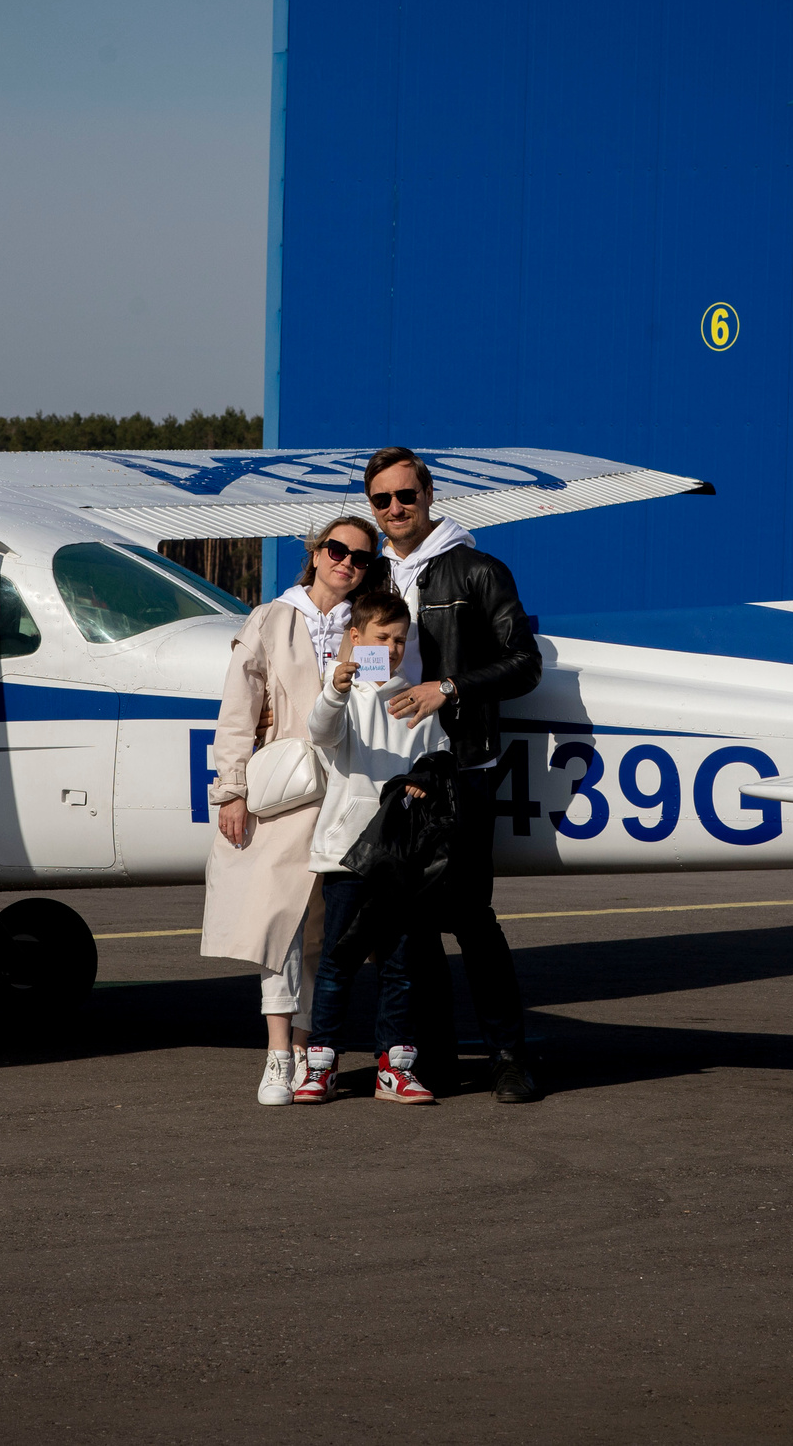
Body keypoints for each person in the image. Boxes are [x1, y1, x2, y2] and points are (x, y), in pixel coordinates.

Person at [365, 446, 547, 1103]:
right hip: (388, 772)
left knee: (471, 916)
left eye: (405, 495)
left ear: (429, 494)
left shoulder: (477, 570)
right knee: (407, 925)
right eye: (382, 499)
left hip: (462, 766)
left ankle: (509, 1057)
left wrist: (448, 687)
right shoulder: (369, 576)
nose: (395, 509)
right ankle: (434, 1056)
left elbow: (525, 663)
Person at [200, 514, 382, 1105]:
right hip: (287, 788)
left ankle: (310, 1050)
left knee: (325, 930)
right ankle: (279, 1053)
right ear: (316, 552)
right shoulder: (272, 618)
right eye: (337, 550)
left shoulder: (368, 624)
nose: (346, 563)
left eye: (360, 557)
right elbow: (238, 710)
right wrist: (232, 789)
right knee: (279, 921)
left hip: (350, 789)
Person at [293, 586, 448, 1106]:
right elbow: (321, 733)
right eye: (383, 637)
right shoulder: (343, 695)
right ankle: (321, 1065)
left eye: (400, 639)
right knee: (337, 962)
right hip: (347, 855)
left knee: (400, 967)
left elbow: (440, 755)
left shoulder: (417, 700)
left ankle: (395, 1069)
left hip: (401, 859)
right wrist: (337, 688)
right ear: (356, 638)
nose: (393, 648)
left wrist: (427, 774)